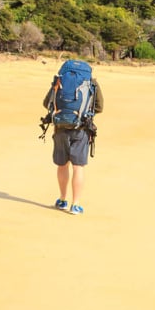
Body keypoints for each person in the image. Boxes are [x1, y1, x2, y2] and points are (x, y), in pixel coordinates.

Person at [43, 69, 104, 215]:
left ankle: (62, 200)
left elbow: (47, 103)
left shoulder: (59, 80)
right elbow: (99, 107)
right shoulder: (91, 82)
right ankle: (75, 205)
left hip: (60, 128)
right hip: (81, 129)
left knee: (63, 165)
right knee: (78, 167)